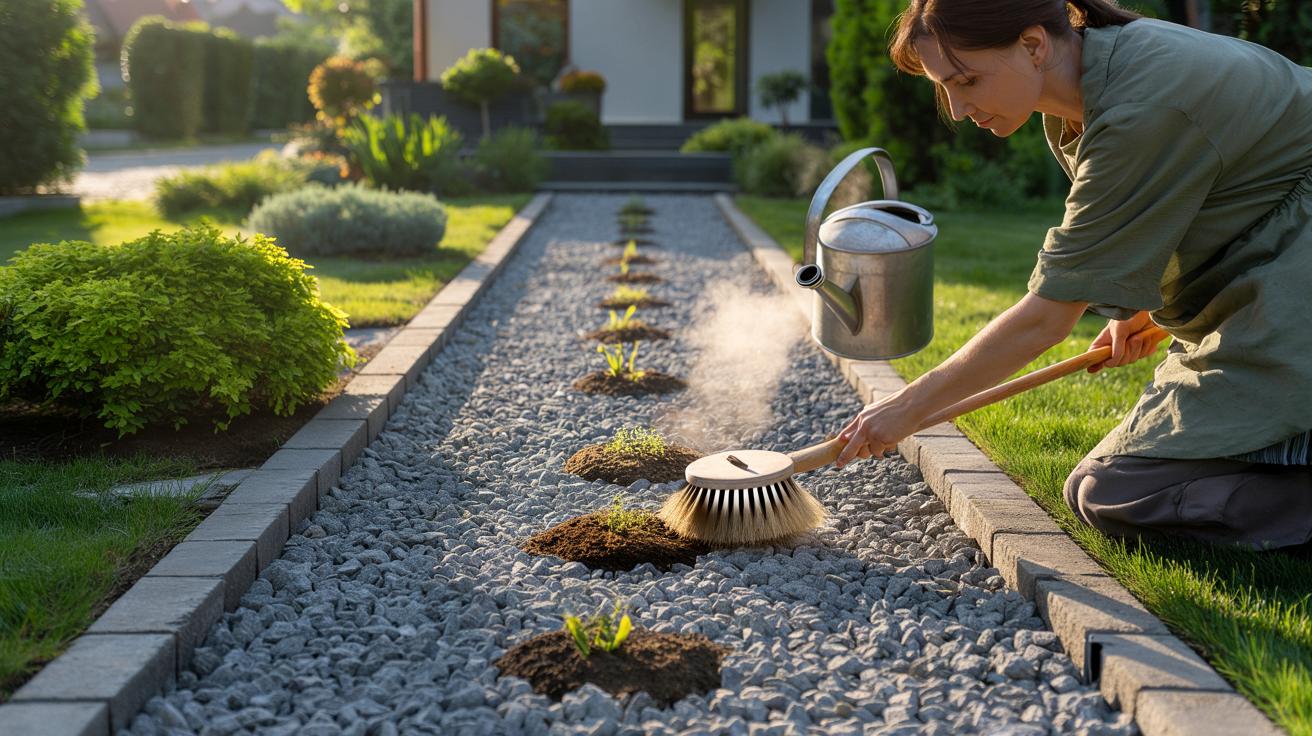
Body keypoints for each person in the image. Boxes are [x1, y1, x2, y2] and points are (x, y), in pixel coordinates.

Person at [834, 0, 1312, 550]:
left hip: (1294, 286)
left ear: (1034, 45)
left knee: (1112, 489)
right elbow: (1175, 206)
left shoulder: (1141, 102)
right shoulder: (1087, 94)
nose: (958, 108)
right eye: (944, 87)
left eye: (966, 80)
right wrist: (1137, 311)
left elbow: (1045, 319)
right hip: (1273, 278)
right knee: (1107, 486)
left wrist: (906, 408)